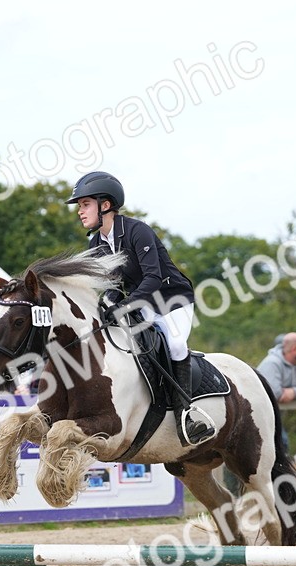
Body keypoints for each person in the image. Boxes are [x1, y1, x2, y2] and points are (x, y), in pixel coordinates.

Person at [65, 171, 214, 445]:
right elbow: (112, 283)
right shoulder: (96, 243)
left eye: (85, 204)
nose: (80, 211)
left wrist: (123, 305)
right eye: (80, 205)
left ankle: (186, 415)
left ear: (105, 205)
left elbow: (153, 278)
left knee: (175, 345)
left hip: (172, 299)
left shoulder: (137, 231)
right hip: (141, 302)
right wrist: (108, 303)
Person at [257, 332, 296, 447]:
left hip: (275, 416)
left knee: (282, 443)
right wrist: (293, 391)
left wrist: (293, 392)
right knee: (282, 443)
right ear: (295, 349)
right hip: (258, 416)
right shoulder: (272, 363)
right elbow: (275, 393)